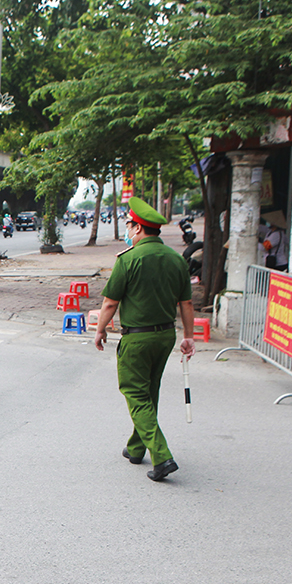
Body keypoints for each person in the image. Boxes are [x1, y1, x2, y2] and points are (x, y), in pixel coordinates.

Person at [93, 197, 196, 482]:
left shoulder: (129, 259)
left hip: (137, 340)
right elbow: (186, 304)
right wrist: (189, 337)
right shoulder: (177, 259)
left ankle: (161, 456)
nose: (128, 231)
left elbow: (110, 303)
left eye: (129, 226)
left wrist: (100, 330)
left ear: (138, 228)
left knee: (135, 394)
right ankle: (136, 447)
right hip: (165, 336)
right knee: (149, 391)